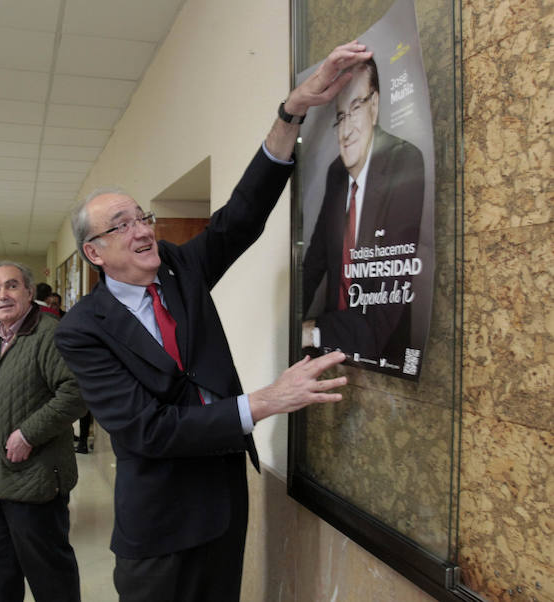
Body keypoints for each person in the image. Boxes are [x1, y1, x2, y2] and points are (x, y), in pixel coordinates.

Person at [54, 42, 370, 601]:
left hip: (224, 504)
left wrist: (290, 112)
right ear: (94, 254)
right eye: (121, 224)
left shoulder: (179, 268)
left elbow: (240, 217)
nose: (142, 229)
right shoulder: (82, 329)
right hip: (159, 527)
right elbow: (147, 430)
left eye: (142, 216)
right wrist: (266, 401)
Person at [0, 261, 85, 602]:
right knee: (0, 571)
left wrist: (28, 434)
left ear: (30, 292)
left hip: (35, 481)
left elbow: (77, 392)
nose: (2, 295)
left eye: (11, 286)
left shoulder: (50, 334)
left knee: (49, 574)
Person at [301, 57, 425, 362]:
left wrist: (312, 331)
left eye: (356, 107)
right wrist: (288, 322)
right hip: (333, 349)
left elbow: (382, 315)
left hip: (381, 354)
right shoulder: (336, 173)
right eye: (340, 115)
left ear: (375, 105)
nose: (346, 130)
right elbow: (315, 261)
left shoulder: (404, 161)